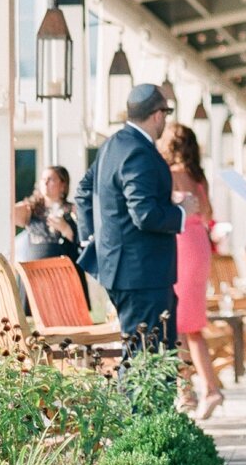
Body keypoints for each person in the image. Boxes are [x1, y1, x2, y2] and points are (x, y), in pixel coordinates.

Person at [77, 84, 185, 355]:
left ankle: (150, 399)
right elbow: (145, 215)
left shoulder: (113, 144)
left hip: (122, 269)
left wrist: (92, 238)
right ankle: (136, 401)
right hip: (142, 273)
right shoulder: (139, 152)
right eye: (166, 114)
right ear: (158, 115)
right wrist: (183, 212)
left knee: (152, 355)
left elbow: (84, 190)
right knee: (145, 358)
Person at [159, 123, 225, 419]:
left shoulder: (170, 176)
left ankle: (201, 390)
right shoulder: (199, 177)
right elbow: (208, 213)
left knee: (183, 325)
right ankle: (190, 390)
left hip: (181, 243)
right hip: (199, 244)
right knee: (188, 324)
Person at [12, 164, 84, 291]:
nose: (45, 183)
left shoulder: (73, 210)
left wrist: (65, 229)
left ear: (63, 185)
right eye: (43, 179)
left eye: (50, 179)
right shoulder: (30, 209)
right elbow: (9, 214)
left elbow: (79, 244)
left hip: (62, 276)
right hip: (34, 273)